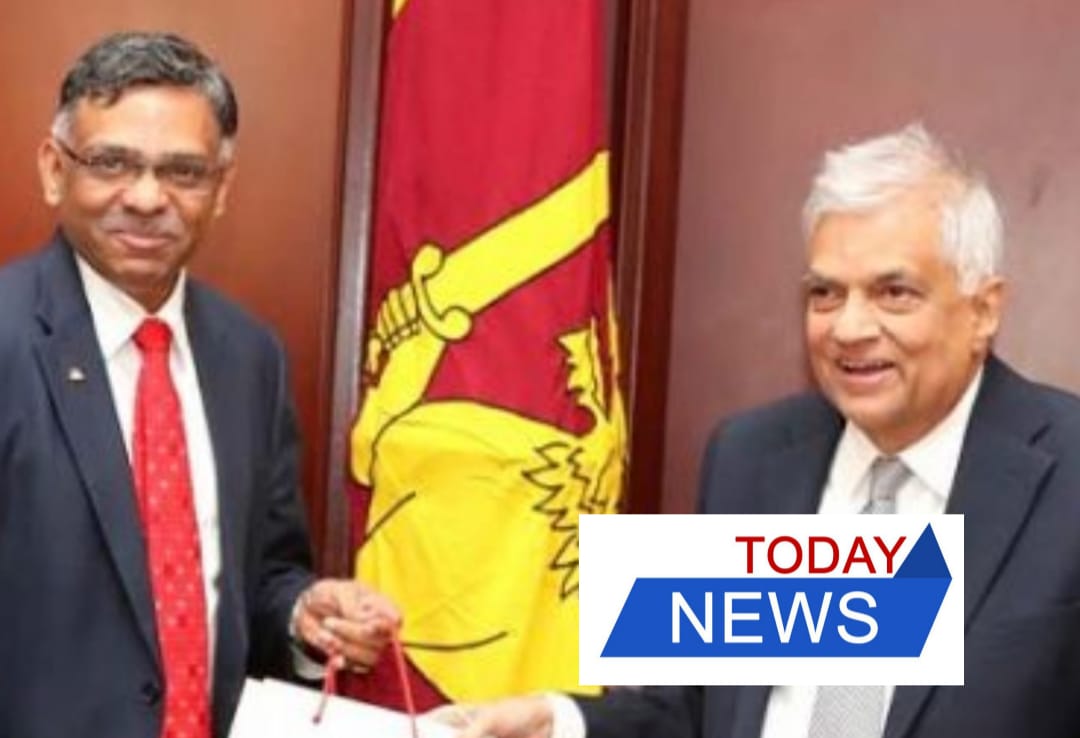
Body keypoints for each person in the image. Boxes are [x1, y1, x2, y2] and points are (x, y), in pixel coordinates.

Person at [441, 123, 1080, 737]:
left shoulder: (1067, 470)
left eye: (893, 292)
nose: (849, 328)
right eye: (826, 294)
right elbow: (690, 708)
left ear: (983, 310)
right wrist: (560, 720)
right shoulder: (748, 458)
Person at [0, 31, 400, 738]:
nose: (146, 197)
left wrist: (303, 617)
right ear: (55, 170)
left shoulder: (251, 358)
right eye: (113, 163)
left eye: (183, 172)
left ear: (221, 189)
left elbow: (263, 576)